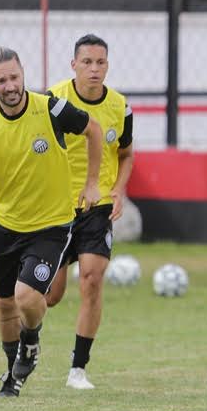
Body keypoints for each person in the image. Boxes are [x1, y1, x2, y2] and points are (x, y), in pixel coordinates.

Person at [0, 47, 103, 397]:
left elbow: (94, 130)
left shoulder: (50, 108)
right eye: (1, 80)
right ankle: (12, 373)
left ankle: (31, 340)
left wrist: (92, 183)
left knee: (25, 296)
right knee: (4, 303)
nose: (10, 86)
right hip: (7, 226)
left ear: (23, 72)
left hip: (52, 225)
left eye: (14, 77)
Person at [45, 34, 134, 390]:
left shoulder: (120, 106)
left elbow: (126, 154)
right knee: (50, 296)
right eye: (87, 62)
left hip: (98, 208)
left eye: (100, 62)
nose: (94, 69)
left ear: (107, 65)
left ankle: (78, 369)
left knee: (92, 280)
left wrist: (118, 189)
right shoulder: (53, 100)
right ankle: (25, 343)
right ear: (74, 65)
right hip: (55, 207)